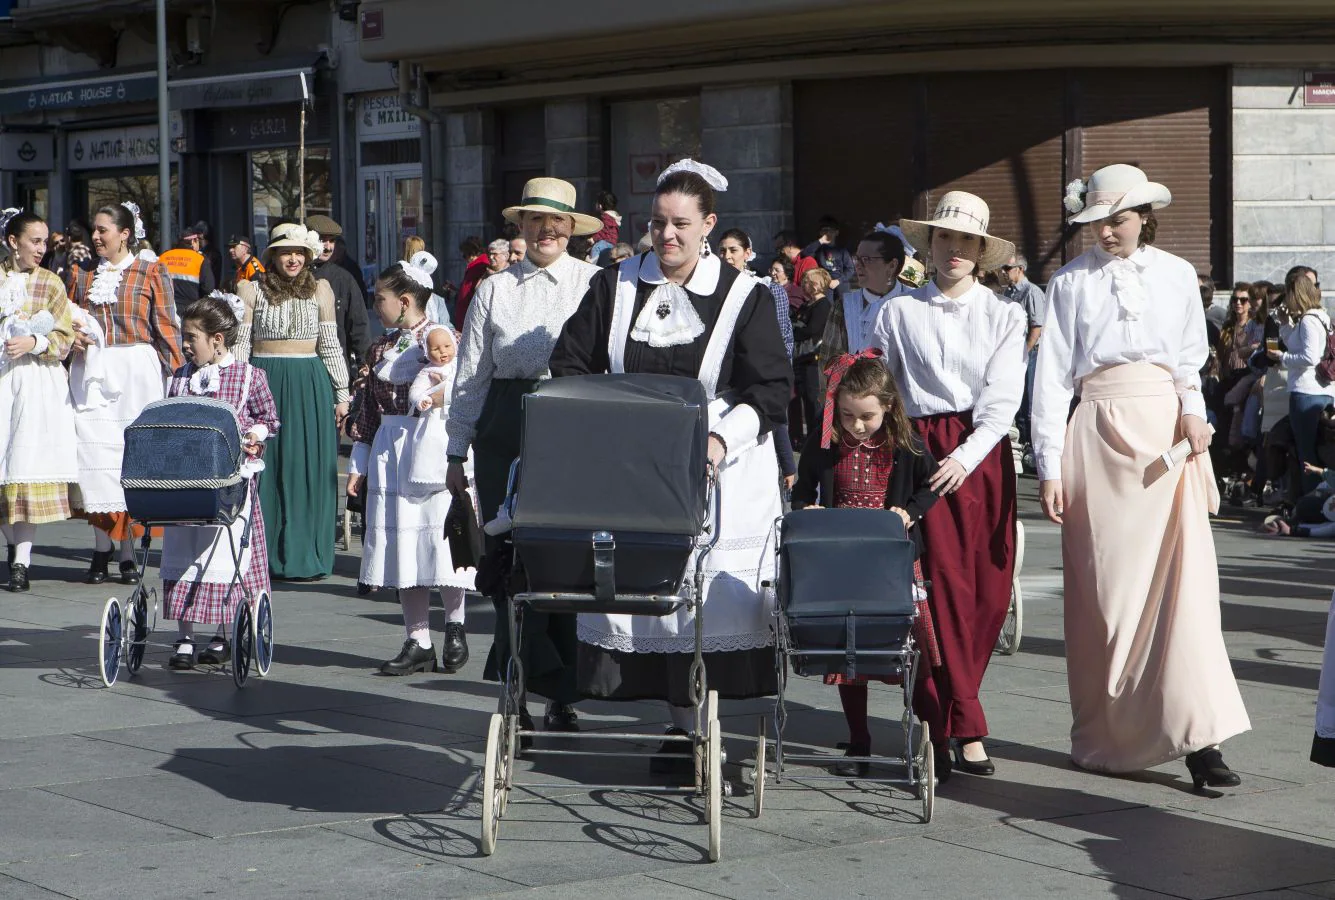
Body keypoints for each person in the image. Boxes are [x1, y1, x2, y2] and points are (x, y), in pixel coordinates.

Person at [549, 159, 792, 772]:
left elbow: (771, 390)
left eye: (681, 224)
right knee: (646, 595)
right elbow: (570, 362)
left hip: (720, 466)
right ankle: (680, 730)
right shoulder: (615, 285)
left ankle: (702, 728)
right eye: (658, 223)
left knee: (706, 600)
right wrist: (606, 420)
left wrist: (718, 439)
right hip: (630, 465)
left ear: (709, 224)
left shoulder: (746, 295)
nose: (667, 236)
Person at [1033, 163, 1251, 787]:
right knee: (1109, 597)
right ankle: (1110, 733)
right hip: (1097, 436)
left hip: (1165, 437)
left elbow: (1188, 365)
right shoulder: (1069, 283)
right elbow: (1050, 380)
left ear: (1143, 217)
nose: (1107, 231)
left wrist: (1193, 415)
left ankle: (1201, 741)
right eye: (1097, 221)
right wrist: (1049, 465)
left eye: (1118, 219)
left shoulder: (1179, 274)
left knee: (1187, 594)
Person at [871, 191, 1025, 780]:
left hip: (980, 458)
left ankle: (956, 710)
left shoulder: (1004, 314)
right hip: (914, 453)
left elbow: (1003, 400)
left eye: (966, 241)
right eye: (944, 239)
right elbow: (886, 389)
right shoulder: (898, 311)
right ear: (928, 246)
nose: (954, 250)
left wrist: (965, 457)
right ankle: (956, 723)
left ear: (982, 250)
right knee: (931, 591)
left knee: (984, 590)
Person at [445, 177, 602, 731]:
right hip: (504, 424)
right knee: (508, 559)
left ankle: (563, 689)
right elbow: (469, 375)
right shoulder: (494, 288)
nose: (547, 230)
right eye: (536, 220)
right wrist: (455, 450)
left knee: (566, 557)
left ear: (573, 229)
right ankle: (517, 685)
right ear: (521, 227)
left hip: (571, 420)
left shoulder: (595, 282)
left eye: (556, 221)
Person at [790, 351, 940, 775]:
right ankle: (859, 742)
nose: (856, 425)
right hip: (845, 563)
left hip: (892, 561)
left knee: (915, 653)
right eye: (848, 415)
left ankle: (937, 742)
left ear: (888, 407)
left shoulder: (905, 443)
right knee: (849, 656)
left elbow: (931, 486)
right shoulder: (826, 443)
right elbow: (802, 492)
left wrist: (909, 512)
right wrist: (808, 509)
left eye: (867, 416)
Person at [349, 253, 473, 676]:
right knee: (405, 547)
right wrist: (359, 462)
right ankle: (418, 638)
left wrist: (440, 398)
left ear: (404, 300)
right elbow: (366, 409)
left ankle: (455, 628)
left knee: (442, 541)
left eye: (379, 297)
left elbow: (470, 384)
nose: (375, 303)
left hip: (434, 446)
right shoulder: (381, 347)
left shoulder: (443, 337)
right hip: (391, 447)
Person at [68, 202, 183, 585]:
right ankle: (101, 549)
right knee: (94, 462)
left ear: (124, 233)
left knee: (130, 464)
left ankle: (128, 553)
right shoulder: (81, 275)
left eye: (103, 230)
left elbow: (166, 327)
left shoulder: (151, 270)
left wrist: (180, 378)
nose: (96, 237)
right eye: (95, 230)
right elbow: (64, 320)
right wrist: (72, 338)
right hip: (93, 374)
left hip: (136, 372)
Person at [162, 294, 279, 670]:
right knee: (185, 553)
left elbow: (269, 419)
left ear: (217, 340)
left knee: (227, 554)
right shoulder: (180, 376)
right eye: (184, 335)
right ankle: (184, 636)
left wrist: (255, 435)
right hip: (186, 484)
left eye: (192, 336)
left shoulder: (248, 376)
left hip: (229, 485)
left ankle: (222, 634)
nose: (184, 343)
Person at [235, 223, 350, 580]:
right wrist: (235, 389)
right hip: (263, 381)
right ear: (273, 255)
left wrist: (342, 393)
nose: (293, 258)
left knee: (306, 467)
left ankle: (306, 555)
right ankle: (262, 556)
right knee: (264, 468)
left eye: (299, 252)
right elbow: (241, 344)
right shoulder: (250, 290)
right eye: (286, 252)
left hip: (309, 384)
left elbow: (330, 344)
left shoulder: (322, 290)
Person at [0, 210, 77, 593]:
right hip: (1, 379)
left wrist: (34, 342)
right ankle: (13, 546)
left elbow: (65, 336)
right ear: (13, 241)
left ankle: (21, 561)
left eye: (45, 241)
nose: (42, 249)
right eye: (35, 240)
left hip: (33, 382)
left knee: (23, 464)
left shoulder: (49, 282)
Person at [719, 227, 797, 485]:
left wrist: (777, 373)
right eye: (723, 250)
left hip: (761, 374)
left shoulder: (766, 288)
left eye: (733, 250)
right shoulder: (714, 290)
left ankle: (787, 470)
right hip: (726, 380)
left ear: (747, 253)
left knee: (772, 425)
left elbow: (785, 335)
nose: (727, 256)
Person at [1268, 272, 1335, 490]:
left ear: (1295, 294)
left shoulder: (1308, 320)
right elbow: (1296, 343)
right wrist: (1284, 324)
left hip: (1306, 392)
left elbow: (1309, 357)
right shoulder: (1321, 316)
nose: (1286, 299)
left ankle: (1309, 500)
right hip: (1324, 390)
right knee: (1320, 451)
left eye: (1288, 294)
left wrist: (1282, 358)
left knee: (1306, 451)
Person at [823, 227, 910, 361]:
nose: (858, 265)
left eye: (866, 259)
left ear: (892, 265)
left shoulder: (915, 301)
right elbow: (829, 363)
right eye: (857, 258)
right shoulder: (844, 307)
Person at [305, 215, 371, 375]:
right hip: (302, 365)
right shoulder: (293, 275)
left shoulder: (344, 278)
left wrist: (364, 362)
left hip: (336, 366)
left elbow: (359, 323)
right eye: (322, 240)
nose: (328, 247)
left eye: (332, 240)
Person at [1000, 253, 1047, 449]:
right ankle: (1020, 443)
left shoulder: (1031, 292)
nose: (1003, 273)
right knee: (1015, 399)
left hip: (1030, 353)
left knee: (1028, 400)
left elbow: (1037, 326)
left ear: (1020, 269)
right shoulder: (1009, 293)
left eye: (1007, 268)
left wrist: (1025, 352)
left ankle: (1031, 445)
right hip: (1012, 352)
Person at [793, 267, 833, 443]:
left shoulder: (823, 305)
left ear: (816, 285)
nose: (804, 285)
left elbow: (812, 330)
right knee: (802, 399)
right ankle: (803, 439)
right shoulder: (806, 304)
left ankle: (816, 439)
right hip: (801, 356)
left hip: (813, 358)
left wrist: (796, 328)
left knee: (813, 400)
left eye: (807, 282)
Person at [159, 231, 217, 307]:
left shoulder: (163, 256)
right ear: (193, 241)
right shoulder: (200, 259)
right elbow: (208, 288)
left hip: (165, 308)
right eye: (198, 241)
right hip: (189, 310)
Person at [802, 216, 855, 298]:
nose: (828, 233)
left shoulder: (842, 251)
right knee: (827, 306)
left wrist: (838, 281)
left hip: (840, 283)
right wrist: (821, 241)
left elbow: (850, 269)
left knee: (844, 305)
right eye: (825, 231)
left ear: (836, 232)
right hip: (824, 283)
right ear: (820, 233)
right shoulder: (818, 250)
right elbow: (805, 253)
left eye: (831, 231)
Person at [454, 236, 490, 328]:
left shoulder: (479, 267)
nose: (464, 258)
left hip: (470, 318)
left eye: (465, 255)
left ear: (472, 253)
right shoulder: (474, 267)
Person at [589, 190, 621, 262]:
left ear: (600, 206)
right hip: (612, 242)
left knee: (596, 248)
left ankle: (592, 266)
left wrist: (593, 239)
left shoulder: (606, 216)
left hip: (607, 242)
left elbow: (603, 231)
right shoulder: (613, 216)